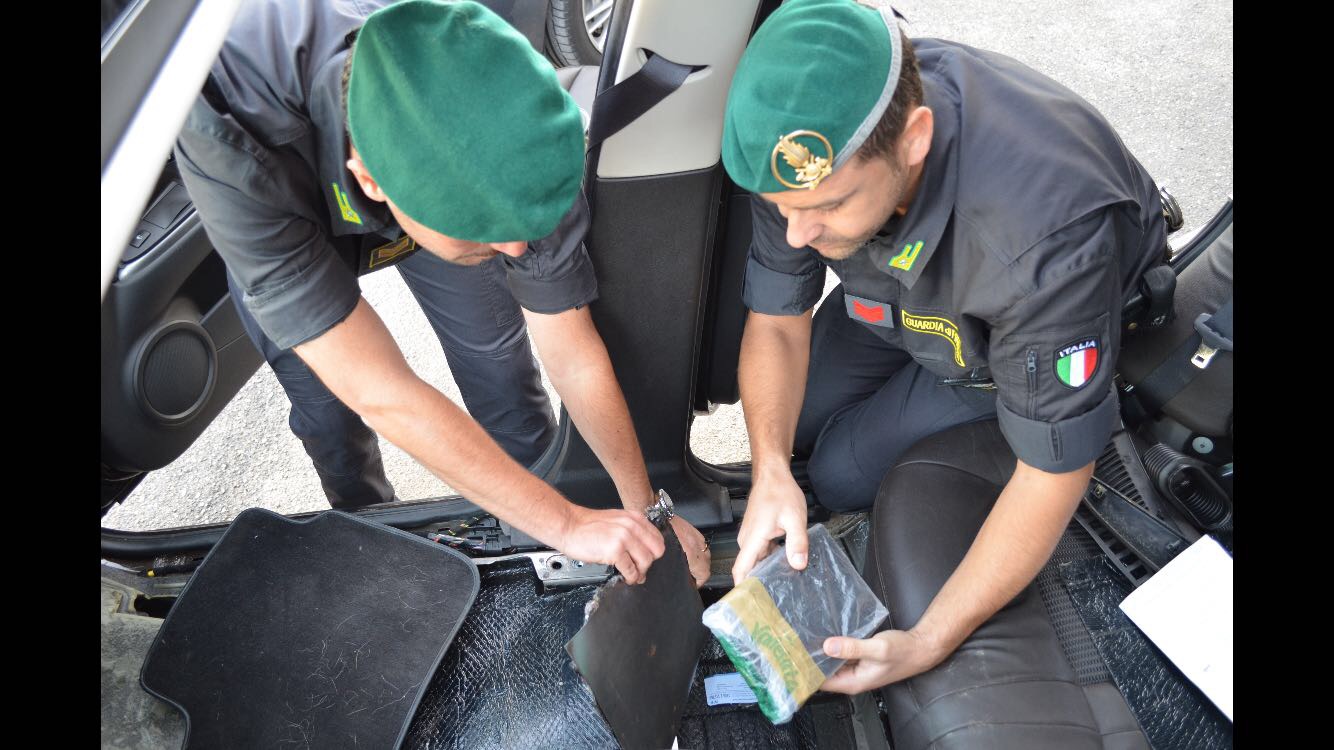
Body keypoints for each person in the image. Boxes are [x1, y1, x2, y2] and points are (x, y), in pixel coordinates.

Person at [174, 0, 711, 585]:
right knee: (328, 415)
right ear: (370, 182)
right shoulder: (228, 131)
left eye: (521, 224)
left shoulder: (506, 113)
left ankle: (536, 521)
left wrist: (644, 512)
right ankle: (371, 534)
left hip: (435, 197)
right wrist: (568, 524)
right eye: (485, 230)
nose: (515, 246)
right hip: (287, 192)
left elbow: (573, 354)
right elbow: (380, 389)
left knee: (499, 371)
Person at [722, 0, 1167, 685]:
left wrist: (926, 641)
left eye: (828, 206)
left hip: (1006, 339)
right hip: (895, 295)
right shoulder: (803, 148)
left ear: (914, 139)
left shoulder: (1046, 247)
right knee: (792, 426)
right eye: (783, 207)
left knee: (838, 473)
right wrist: (770, 471)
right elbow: (778, 322)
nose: (796, 235)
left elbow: (1053, 471)